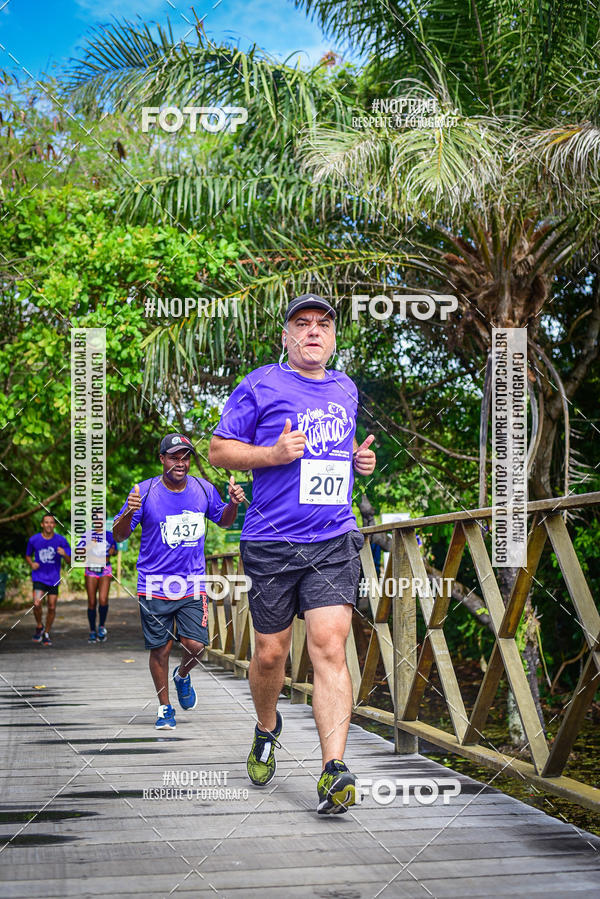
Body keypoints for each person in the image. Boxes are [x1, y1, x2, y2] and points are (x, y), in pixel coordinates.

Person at [209, 293, 376, 815]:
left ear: (333, 337)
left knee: (329, 645)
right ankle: (266, 728)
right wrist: (271, 455)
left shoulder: (345, 389)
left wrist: (357, 459)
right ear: (286, 336)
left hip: (332, 537)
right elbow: (218, 450)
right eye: (301, 324)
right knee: (271, 652)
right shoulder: (262, 383)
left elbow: (333, 454)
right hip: (272, 540)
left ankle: (333, 769)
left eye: (322, 324)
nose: (312, 331)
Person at [112, 433, 246, 729]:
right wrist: (130, 512)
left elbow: (223, 520)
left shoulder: (202, 488)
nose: (181, 463)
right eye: (174, 457)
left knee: (195, 645)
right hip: (154, 585)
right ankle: (164, 708)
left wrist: (233, 504)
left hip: (192, 584)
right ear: (162, 459)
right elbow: (119, 535)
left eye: (185, 457)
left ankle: (182, 675)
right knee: (159, 650)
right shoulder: (144, 492)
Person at [25, 512, 71, 646]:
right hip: (38, 577)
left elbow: (69, 561)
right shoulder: (34, 540)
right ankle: (39, 625)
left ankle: (46, 632)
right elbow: (28, 555)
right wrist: (31, 564)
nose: (49, 525)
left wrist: (64, 555)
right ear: (42, 524)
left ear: (54, 525)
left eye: (51, 522)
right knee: (37, 604)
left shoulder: (61, 540)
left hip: (53, 578)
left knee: (52, 607)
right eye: (46, 522)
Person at [79, 519, 117, 643]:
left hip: (105, 569)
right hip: (91, 569)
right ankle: (92, 630)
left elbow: (114, 550)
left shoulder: (109, 535)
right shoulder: (87, 535)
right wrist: (90, 545)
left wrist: (113, 552)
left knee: (103, 599)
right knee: (91, 601)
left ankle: (101, 626)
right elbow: (79, 552)